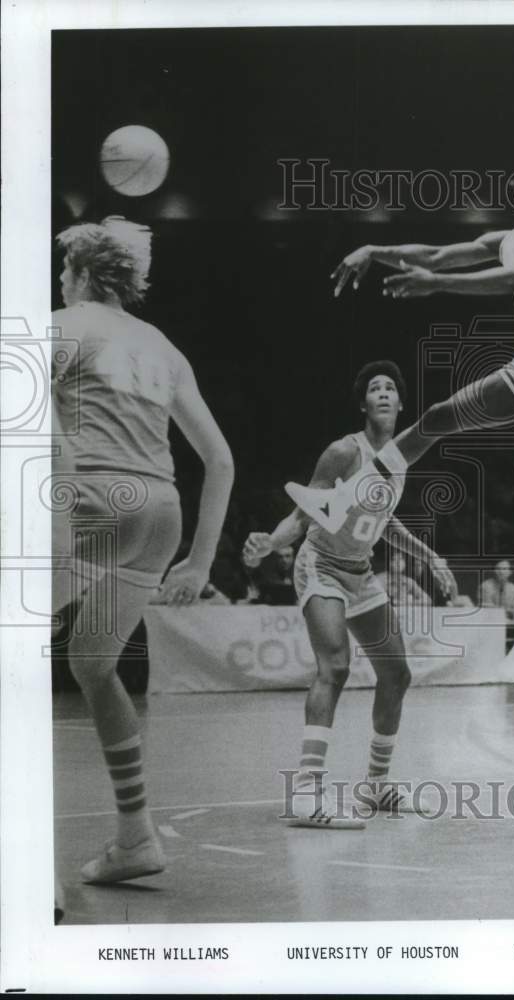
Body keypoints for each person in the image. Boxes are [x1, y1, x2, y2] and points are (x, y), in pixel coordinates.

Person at [287, 157, 514, 682]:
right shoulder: (506, 237)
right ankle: (345, 496)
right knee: (438, 417)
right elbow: (437, 251)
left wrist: (435, 284)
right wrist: (376, 249)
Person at [51, 217, 234, 887]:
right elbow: (219, 461)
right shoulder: (163, 346)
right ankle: (136, 837)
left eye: (63, 272)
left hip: (89, 503)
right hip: (159, 515)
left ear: (79, 276)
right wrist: (200, 562)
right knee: (93, 662)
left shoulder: (57, 326)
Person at [243, 361, 456, 828]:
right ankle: (305, 795)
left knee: (397, 675)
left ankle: (376, 787)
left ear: (401, 404)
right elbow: (303, 515)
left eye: (390, 389)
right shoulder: (343, 451)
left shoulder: (399, 461)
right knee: (334, 666)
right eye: (374, 389)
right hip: (320, 565)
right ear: (363, 405)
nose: (383, 393)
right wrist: (272, 543)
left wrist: (430, 557)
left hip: (360, 572)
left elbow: (385, 522)